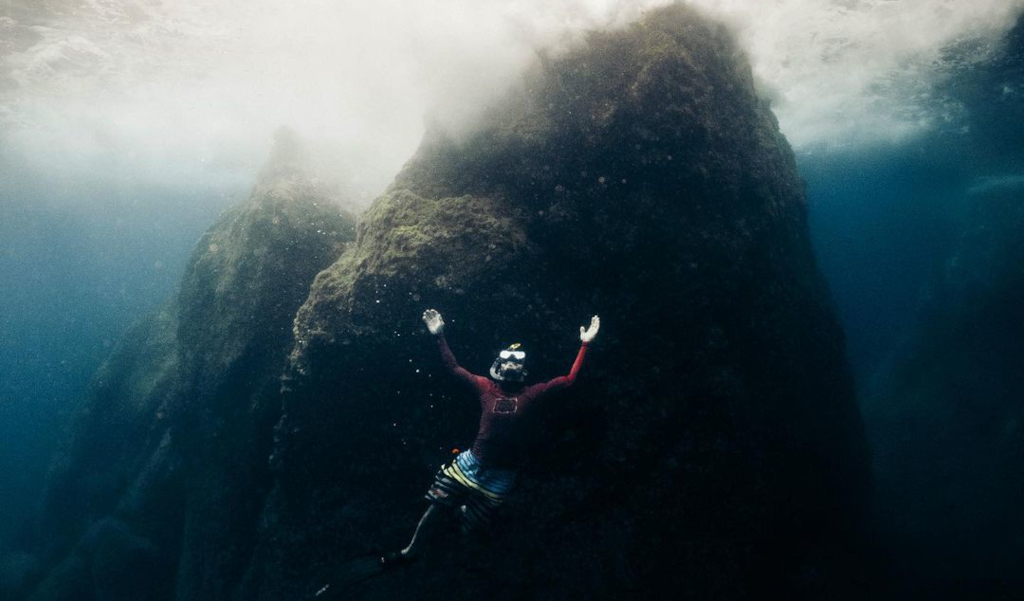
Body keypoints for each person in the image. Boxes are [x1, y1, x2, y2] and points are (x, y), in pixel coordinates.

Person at [380, 309, 600, 567]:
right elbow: (454, 368)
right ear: (497, 366)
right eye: (506, 360)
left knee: (471, 527)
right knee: (436, 507)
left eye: (517, 361)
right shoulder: (485, 387)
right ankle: (411, 551)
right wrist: (438, 335)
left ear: (523, 371)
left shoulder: (533, 394)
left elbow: (569, 380)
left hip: (501, 475)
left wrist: (585, 343)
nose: (511, 363)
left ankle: (456, 531)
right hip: (470, 465)